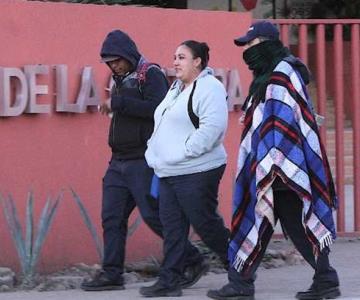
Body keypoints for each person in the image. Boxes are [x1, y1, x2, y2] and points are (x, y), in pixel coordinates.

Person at [207, 21, 341, 300]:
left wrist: (275, 165)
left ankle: (323, 279)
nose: (247, 51)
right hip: (272, 164)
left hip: (283, 167)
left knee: (285, 221)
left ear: (267, 43)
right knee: (262, 221)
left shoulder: (281, 74)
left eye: (252, 45)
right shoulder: (269, 74)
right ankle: (242, 281)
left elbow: (283, 122)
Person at [81, 30, 204, 292]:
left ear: (128, 55)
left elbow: (159, 110)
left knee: (154, 216)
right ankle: (112, 273)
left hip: (143, 160)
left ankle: (192, 258)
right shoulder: (121, 79)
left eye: (117, 60)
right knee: (111, 218)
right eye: (109, 62)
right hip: (118, 162)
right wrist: (119, 104)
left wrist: (120, 103)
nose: (114, 65)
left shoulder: (151, 74)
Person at [141, 40, 230, 297]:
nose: (175, 62)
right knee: (173, 228)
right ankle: (170, 281)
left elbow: (212, 128)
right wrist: (154, 151)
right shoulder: (177, 88)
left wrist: (184, 152)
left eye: (181, 57)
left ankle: (241, 270)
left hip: (198, 170)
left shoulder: (209, 87)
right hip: (171, 171)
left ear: (197, 61)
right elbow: (163, 124)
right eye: (174, 57)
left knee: (206, 225)